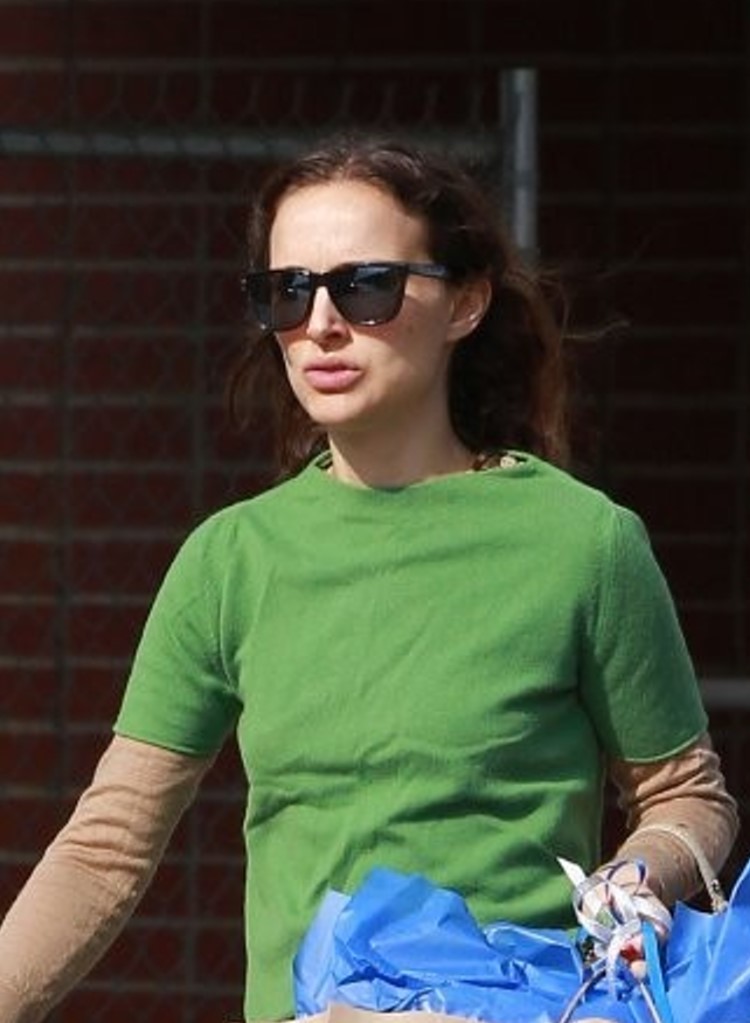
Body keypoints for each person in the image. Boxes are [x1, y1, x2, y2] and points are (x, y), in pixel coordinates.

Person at [0, 135, 738, 1023]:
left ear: (465, 301)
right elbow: (105, 848)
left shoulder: (585, 542)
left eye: (366, 286)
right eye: (286, 292)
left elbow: (685, 796)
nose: (320, 323)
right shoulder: (230, 559)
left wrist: (634, 877)